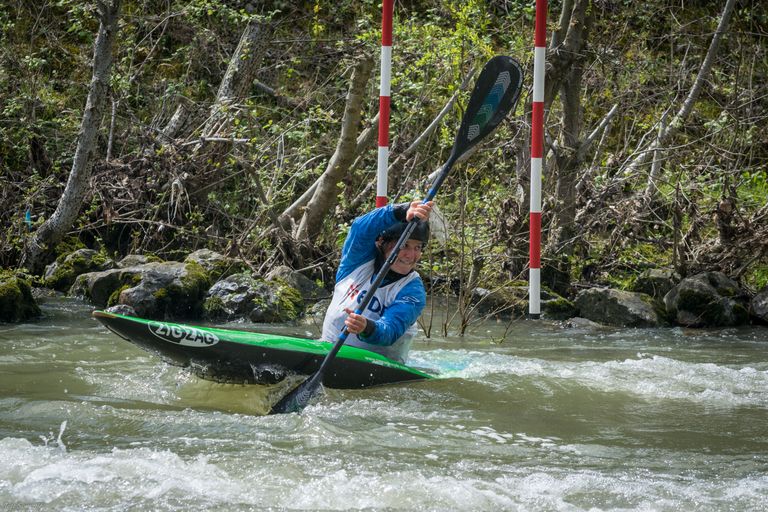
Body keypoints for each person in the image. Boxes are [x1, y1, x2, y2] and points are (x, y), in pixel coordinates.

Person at [321, 200, 433, 363]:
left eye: (417, 248)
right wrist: (400, 211)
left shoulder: (412, 290)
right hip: (326, 348)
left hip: (378, 365)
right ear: (381, 242)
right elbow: (360, 227)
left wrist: (367, 327)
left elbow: (391, 330)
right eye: (405, 245)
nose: (411, 255)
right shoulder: (356, 262)